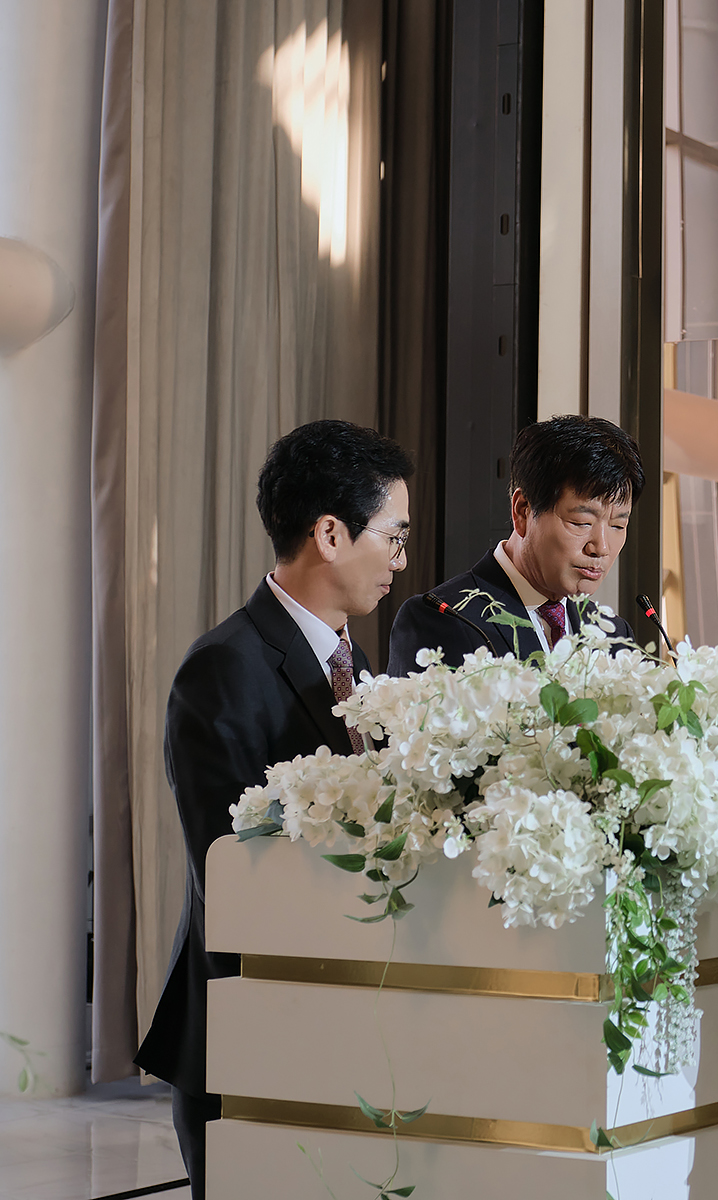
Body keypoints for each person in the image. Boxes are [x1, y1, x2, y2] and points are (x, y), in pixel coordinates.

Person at [135, 421, 413, 1197]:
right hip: (251, 1037)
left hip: (342, 1029)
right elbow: (230, 874)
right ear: (330, 534)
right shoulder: (226, 669)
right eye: (393, 537)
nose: (400, 560)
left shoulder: (352, 662)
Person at [387, 414, 642, 674]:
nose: (601, 548)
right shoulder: (443, 619)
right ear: (522, 510)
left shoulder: (614, 636)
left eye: (618, 526)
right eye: (581, 522)